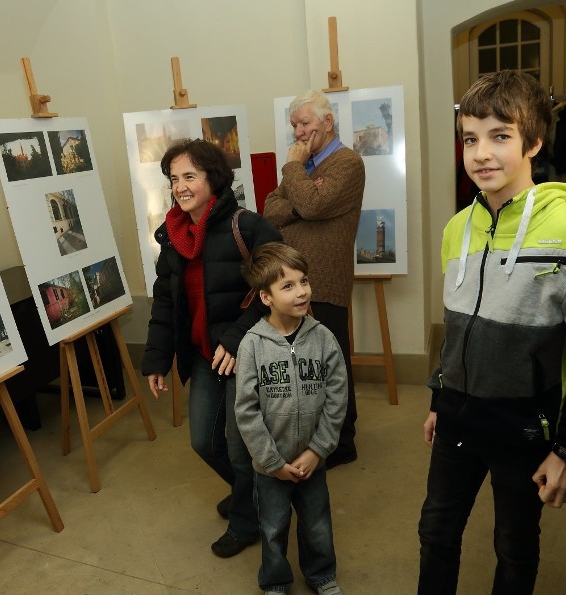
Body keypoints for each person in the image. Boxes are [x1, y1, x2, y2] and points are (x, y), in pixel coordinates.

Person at [418, 70, 566, 595]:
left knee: (513, 544)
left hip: (524, 424)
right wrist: (440, 398)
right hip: (458, 416)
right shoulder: (455, 230)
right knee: (435, 531)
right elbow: (457, 332)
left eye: (500, 136)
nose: (481, 153)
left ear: (534, 141)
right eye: (470, 138)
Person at [141, 138, 283, 558]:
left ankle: (246, 521)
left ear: (212, 179)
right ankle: (253, 496)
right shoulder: (172, 237)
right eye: (173, 179)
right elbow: (165, 304)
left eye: (189, 176)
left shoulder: (249, 226)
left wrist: (239, 335)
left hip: (247, 356)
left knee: (242, 451)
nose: (180, 186)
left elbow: (281, 284)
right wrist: (156, 359)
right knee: (203, 441)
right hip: (203, 356)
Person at [235, 242, 348, 595]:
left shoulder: (324, 339)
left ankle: (321, 575)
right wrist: (271, 462)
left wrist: (318, 450)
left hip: (312, 460)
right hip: (271, 466)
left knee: (317, 524)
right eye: (288, 286)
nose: (301, 292)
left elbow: (337, 398)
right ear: (264, 297)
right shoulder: (252, 344)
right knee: (272, 527)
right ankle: (275, 581)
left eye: (303, 281)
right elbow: (246, 410)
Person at [263, 89, 365, 468]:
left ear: (327, 122)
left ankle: (344, 442)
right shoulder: (303, 168)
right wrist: (301, 198)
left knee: (333, 363)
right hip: (292, 280)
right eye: (293, 125)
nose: (298, 132)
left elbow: (313, 204)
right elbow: (270, 209)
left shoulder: (347, 163)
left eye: (304, 123)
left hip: (326, 282)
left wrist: (295, 175)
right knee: (305, 365)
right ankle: (314, 436)